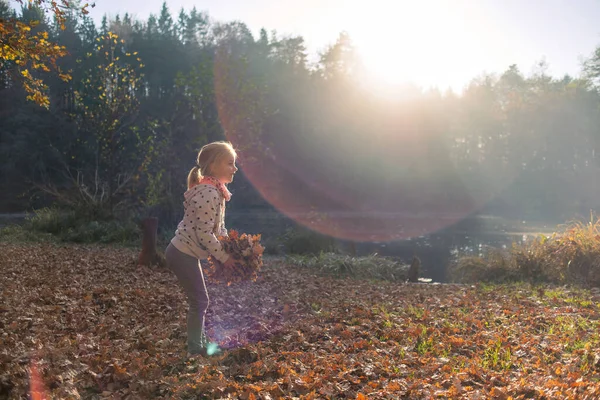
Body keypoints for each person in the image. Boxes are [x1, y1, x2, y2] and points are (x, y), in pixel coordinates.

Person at [165, 140, 238, 357]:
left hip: (188, 253)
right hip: (181, 253)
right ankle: (195, 347)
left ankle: (200, 342)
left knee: (200, 299)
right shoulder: (208, 192)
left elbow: (218, 228)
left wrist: (231, 247)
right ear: (214, 165)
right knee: (199, 300)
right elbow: (204, 234)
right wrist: (224, 258)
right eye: (230, 163)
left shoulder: (216, 191)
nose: (235, 168)